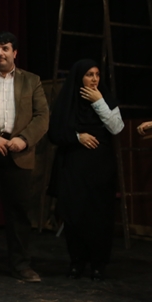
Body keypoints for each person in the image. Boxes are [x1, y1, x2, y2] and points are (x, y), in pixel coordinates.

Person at [0, 32, 49, 283]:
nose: (0, 53)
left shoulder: (32, 80)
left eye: (5, 49)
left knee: (19, 213)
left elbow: (42, 116)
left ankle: (21, 265)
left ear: (14, 52)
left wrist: (24, 139)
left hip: (20, 153)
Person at [49, 59, 124, 281]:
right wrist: (77, 137)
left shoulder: (104, 97)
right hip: (73, 168)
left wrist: (99, 102)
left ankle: (98, 264)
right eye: (89, 75)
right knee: (75, 215)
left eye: (97, 74)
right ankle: (77, 262)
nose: (94, 79)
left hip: (101, 169)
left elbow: (116, 127)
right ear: (79, 77)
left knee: (99, 216)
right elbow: (55, 132)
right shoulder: (68, 100)